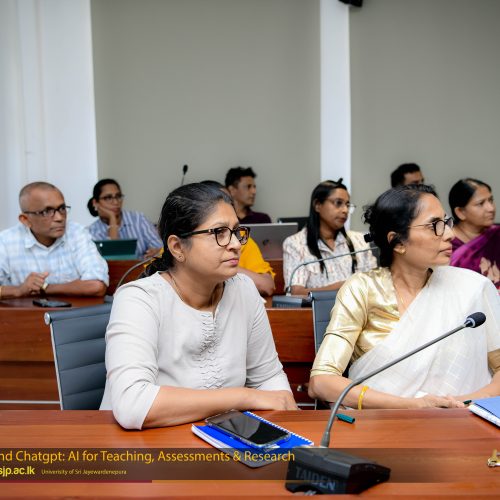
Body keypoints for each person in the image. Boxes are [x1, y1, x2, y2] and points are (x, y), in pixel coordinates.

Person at [100, 183, 296, 429]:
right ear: (177, 247)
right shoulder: (138, 299)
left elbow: (268, 377)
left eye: (236, 231)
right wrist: (244, 397)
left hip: (223, 436)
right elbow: (133, 404)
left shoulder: (244, 289)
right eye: (219, 232)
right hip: (142, 443)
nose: (236, 244)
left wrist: (285, 423)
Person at [309, 184, 500, 410]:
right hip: (382, 422)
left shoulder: (472, 287)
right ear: (398, 242)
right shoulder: (363, 289)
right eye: (435, 225)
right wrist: (412, 406)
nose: (449, 234)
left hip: (463, 419)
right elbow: (321, 382)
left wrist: (460, 404)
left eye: (446, 222)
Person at [0, 182, 108, 298]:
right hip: (22, 310)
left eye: (62, 208)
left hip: (74, 310)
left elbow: (96, 286)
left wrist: (44, 287)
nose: (59, 218)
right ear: (25, 220)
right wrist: (19, 290)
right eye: (47, 211)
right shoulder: (6, 241)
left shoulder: (76, 233)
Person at [282, 179, 377, 294]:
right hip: (318, 306)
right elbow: (296, 292)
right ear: (317, 205)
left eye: (347, 205)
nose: (345, 210)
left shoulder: (359, 240)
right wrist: (342, 287)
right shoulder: (295, 243)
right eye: (338, 203)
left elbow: (374, 283)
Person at [201, 180, 275, 296]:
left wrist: (228, 266)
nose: (236, 244)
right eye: (219, 232)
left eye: (229, 202)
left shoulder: (241, 239)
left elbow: (266, 285)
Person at [87, 179, 162, 259]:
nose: (116, 202)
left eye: (118, 196)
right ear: (95, 203)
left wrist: (157, 252)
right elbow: (114, 260)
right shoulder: (91, 232)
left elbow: (160, 248)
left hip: (144, 266)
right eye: (108, 198)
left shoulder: (138, 219)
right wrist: (112, 221)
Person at [448, 178, 499, 289]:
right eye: (481, 203)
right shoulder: (446, 246)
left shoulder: (496, 234)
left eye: (491, 200)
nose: (491, 208)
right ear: (460, 212)